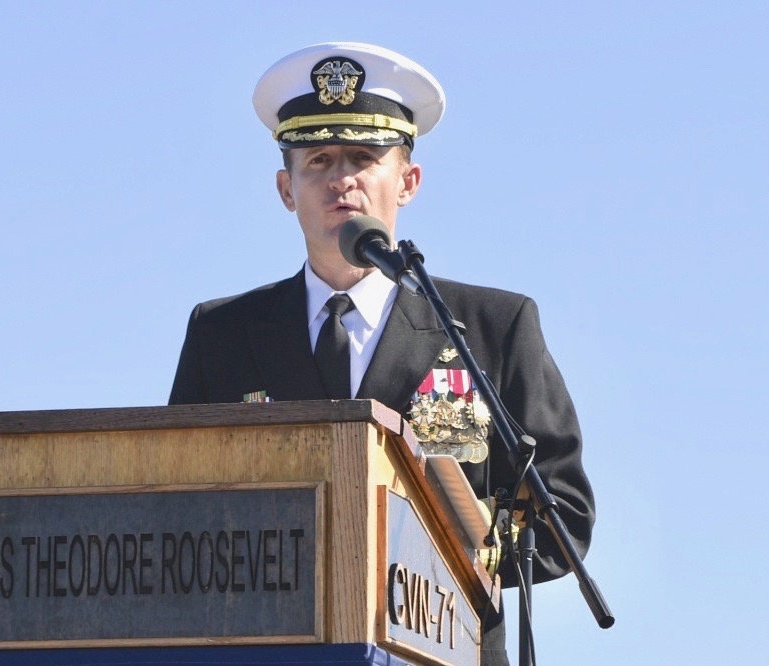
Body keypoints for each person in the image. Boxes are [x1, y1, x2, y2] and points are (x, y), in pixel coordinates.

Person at [169, 42, 594, 666]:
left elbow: (565, 517)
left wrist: (473, 542)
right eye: (318, 160)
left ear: (408, 181)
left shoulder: (493, 329)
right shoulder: (223, 334)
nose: (341, 179)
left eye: (365, 158)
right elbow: (177, 507)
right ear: (286, 189)